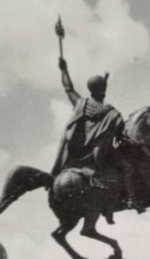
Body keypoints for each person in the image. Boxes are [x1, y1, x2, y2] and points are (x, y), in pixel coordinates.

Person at [52, 58, 126, 220]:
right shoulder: (112, 113)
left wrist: (64, 70)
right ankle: (112, 205)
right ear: (103, 91)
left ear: (90, 90)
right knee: (125, 168)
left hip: (75, 157)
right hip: (97, 159)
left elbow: (68, 88)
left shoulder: (81, 103)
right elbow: (122, 133)